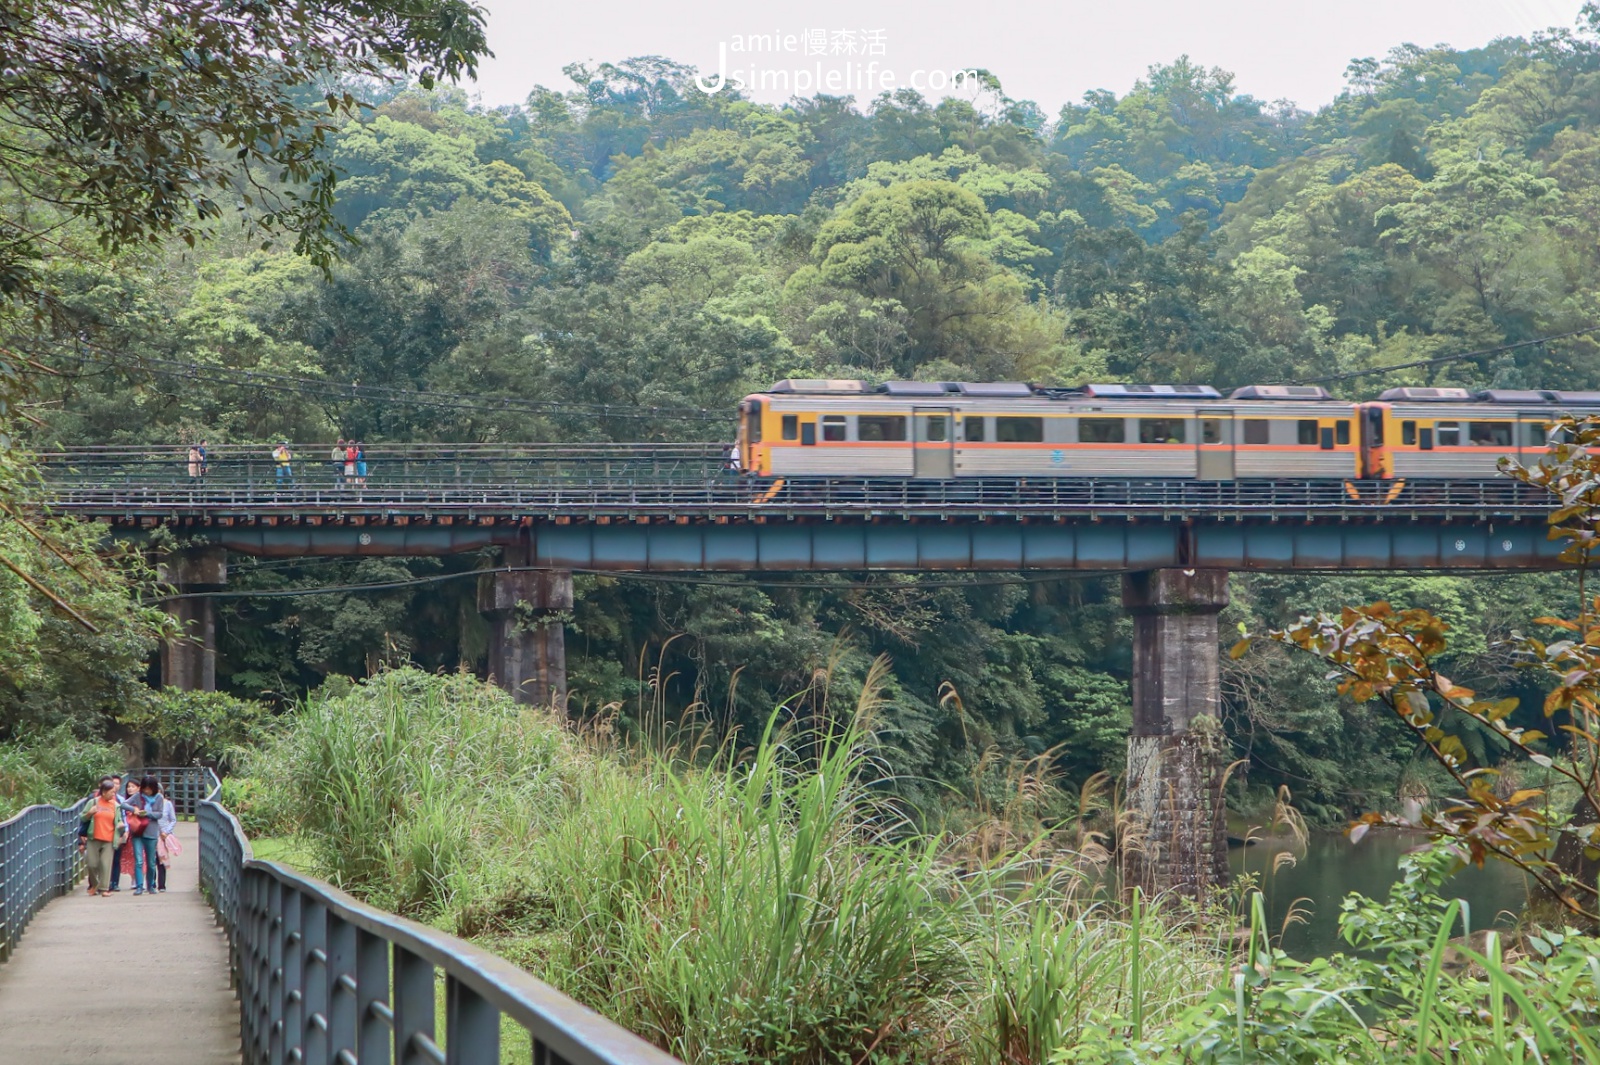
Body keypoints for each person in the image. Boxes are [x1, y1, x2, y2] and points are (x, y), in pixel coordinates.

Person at [118, 776, 163, 897]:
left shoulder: (159, 797)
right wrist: (134, 810)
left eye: (149, 789)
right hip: (137, 831)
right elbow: (123, 804)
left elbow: (159, 814)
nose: (147, 791)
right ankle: (139, 886)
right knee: (138, 860)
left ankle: (151, 885)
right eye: (145, 788)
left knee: (151, 862)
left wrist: (147, 814)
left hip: (151, 832)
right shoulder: (138, 796)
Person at [78, 780, 124, 897]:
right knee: (92, 864)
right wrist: (89, 813)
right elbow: (82, 818)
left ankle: (104, 889)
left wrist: (120, 826)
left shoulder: (116, 805)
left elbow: (119, 820)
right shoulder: (93, 802)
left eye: (114, 792)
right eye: (111, 792)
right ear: (103, 792)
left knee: (105, 864)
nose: (113, 795)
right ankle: (95, 884)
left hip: (109, 838)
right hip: (94, 837)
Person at [106, 774, 127, 892]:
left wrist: (125, 831)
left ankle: (115, 882)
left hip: (118, 832)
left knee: (117, 858)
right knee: (107, 858)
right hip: (106, 832)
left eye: (117, 783)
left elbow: (124, 817)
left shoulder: (121, 800)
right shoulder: (101, 800)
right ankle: (106, 882)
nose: (115, 786)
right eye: (113, 783)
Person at [155, 786, 178, 892]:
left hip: (163, 836)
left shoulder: (167, 804)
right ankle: (151, 883)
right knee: (151, 860)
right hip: (152, 834)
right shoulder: (149, 804)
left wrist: (167, 832)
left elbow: (173, 820)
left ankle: (161, 885)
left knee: (161, 859)